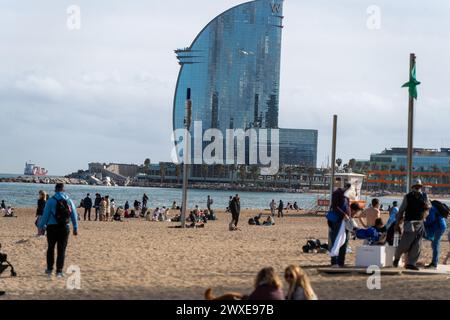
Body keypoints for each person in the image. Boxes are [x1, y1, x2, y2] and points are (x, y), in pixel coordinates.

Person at [37, 183, 78, 278]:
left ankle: (49, 269)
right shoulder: (69, 200)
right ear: (64, 190)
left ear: (55, 190)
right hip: (64, 227)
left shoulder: (50, 201)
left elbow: (45, 215)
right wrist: (75, 228)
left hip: (52, 228)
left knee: (50, 248)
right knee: (61, 250)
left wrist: (41, 226)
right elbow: (74, 215)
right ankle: (59, 271)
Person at [393, 179, 432, 271]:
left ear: (421, 187)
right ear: (413, 187)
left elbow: (429, 205)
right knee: (405, 243)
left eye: (419, 186)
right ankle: (397, 258)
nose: (417, 188)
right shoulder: (407, 197)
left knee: (417, 245)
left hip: (420, 222)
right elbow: (401, 210)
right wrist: (397, 222)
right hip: (409, 223)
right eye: (416, 186)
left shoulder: (425, 196)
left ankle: (411, 263)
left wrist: (427, 206)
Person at [326, 183, 352, 268]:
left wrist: (349, 217)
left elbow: (348, 207)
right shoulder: (337, 193)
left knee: (345, 241)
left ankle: (341, 262)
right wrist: (344, 214)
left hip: (346, 221)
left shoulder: (347, 196)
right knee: (336, 241)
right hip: (338, 221)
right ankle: (334, 262)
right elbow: (335, 206)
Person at [424, 201, 449, 269]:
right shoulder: (433, 207)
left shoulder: (432, 208)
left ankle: (434, 264)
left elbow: (431, 220)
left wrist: (424, 223)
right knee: (434, 244)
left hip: (439, 227)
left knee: (435, 244)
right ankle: (434, 262)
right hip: (440, 226)